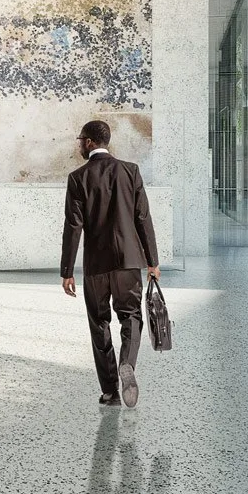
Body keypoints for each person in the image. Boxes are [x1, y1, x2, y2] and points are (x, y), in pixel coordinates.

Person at [60, 119, 160, 408]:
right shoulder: (130, 171)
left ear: (90, 142)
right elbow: (143, 218)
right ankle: (127, 363)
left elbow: (73, 226)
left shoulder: (78, 177)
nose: (79, 144)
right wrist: (152, 261)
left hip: (97, 265)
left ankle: (110, 392)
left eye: (80, 140)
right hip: (129, 261)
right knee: (131, 317)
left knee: (99, 323)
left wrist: (67, 271)